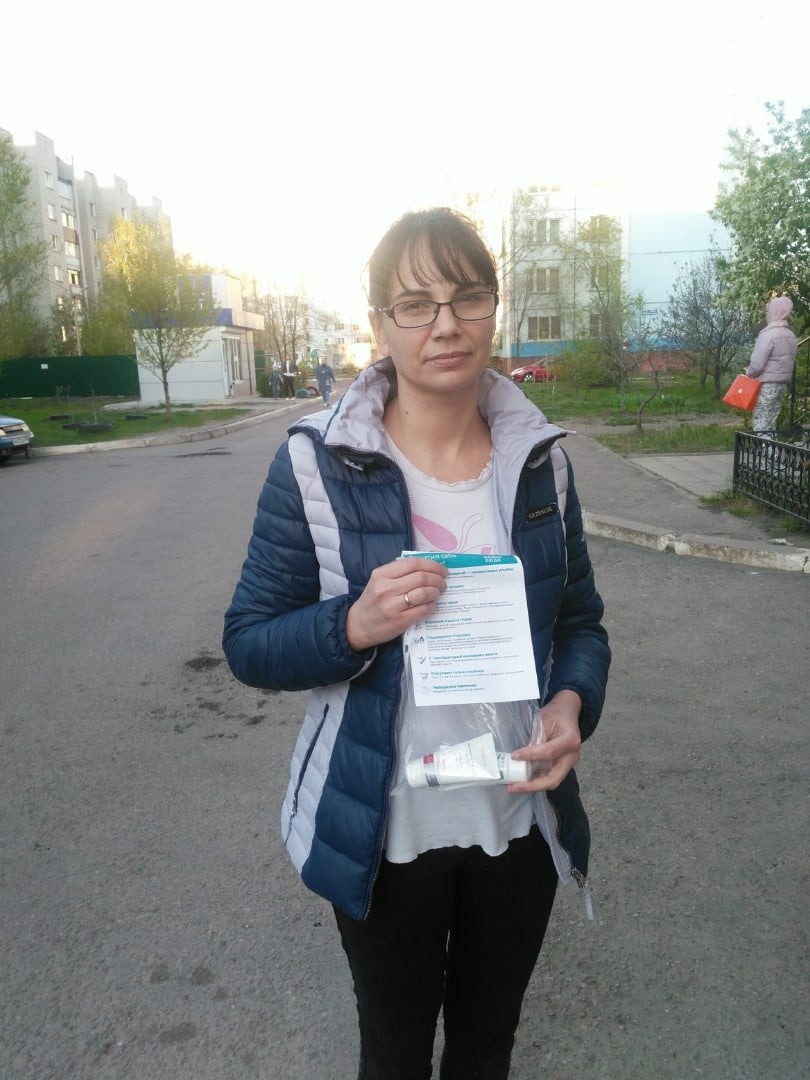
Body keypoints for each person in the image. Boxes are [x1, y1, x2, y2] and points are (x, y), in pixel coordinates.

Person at [223, 207, 610, 1080]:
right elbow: (248, 641)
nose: (445, 324)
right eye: (415, 304)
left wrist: (571, 701)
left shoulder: (541, 463)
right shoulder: (315, 465)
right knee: (394, 1055)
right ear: (379, 324)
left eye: (468, 297)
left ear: (494, 310)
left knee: (485, 1050)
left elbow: (580, 622)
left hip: (516, 817)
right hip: (384, 831)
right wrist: (351, 625)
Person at [745, 296, 798, 435]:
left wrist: (748, 373)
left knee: (761, 423)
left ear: (773, 312)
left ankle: (765, 448)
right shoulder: (791, 335)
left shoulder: (768, 335)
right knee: (771, 422)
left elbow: (757, 365)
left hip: (767, 385)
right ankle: (772, 448)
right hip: (782, 385)